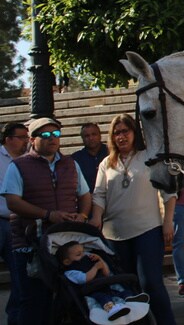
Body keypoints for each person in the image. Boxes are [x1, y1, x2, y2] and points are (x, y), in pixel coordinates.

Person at [1, 117, 92, 323]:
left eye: (56, 134)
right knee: (33, 302)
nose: (53, 139)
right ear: (32, 140)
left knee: (69, 299)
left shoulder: (71, 164)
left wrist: (83, 215)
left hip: (66, 242)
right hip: (30, 244)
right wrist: (47, 214)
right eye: (46, 135)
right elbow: (13, 201)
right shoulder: (18, 166)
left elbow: (85, 195)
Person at [90, 113, 177, 325]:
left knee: (151, 284)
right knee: (127, 289)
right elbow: (99, 194)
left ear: (134, 133)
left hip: (147, 230)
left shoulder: (150, 156)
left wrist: (168, 221)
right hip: (114, 235)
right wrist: (95, 219)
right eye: (117, 132)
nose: (121, 136)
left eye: (125, 131)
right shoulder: (106, 163)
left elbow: (168, 192)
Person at [56, 240, 149, 322]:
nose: (84, 255)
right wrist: (96, 267)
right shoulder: (71, 271)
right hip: (92, 292)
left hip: (106, 287)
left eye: (83, 252)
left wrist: (100, 261)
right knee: (103, 297)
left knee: (124, 292)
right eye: (78, 254)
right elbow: (85, 278)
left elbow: (107, 273)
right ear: (67, 262)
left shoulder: (90, 261)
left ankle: (131, 299)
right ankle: (111, 309)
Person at [0, 123, 28, 325]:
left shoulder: (28, 161)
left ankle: (14, 319)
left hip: (16, 224)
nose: (26, 141)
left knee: (19, 278)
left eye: (27, 137)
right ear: (8, 139)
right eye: (22, 137)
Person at [71, 122, 109, 194]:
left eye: (94, 134)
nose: (91, 138)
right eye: (87, 136)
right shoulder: (76, 159)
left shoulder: (111, 153)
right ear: (82, 139)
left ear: (100, 135)